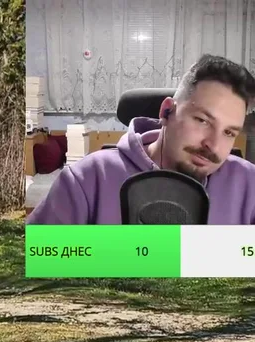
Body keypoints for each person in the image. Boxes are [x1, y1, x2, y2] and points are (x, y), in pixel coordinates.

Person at [28, 54, 255, 225]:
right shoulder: (86, 179)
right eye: (203, 121)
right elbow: (36, 259)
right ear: (166, 111)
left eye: (229, 133)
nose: (213, 145)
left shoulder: (249, 185)